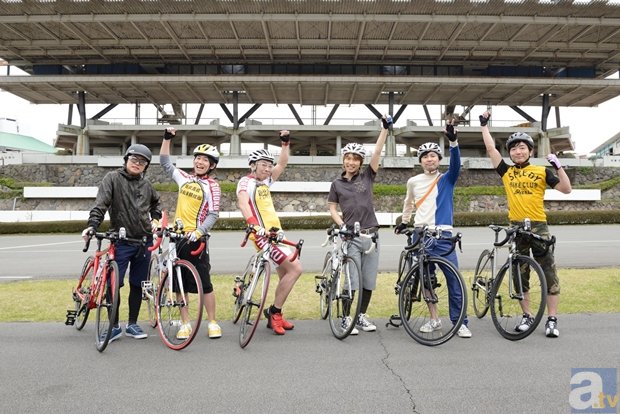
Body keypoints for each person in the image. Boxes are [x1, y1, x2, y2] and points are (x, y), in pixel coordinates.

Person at [479, 111, 572, 338]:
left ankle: (551, 319)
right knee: (520, 275)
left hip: (539, 226)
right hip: (516, 228)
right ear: (510, 153)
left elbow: (566, 189)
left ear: (530, 151)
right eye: (513, 148)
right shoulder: (507, 172)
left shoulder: (541, 171)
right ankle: (527, 315)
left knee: (549, 272)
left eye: (522, 148)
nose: (518, 152)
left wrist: (559, 167)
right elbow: (491, 150)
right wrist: (484, 126)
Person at [394, 120, 472, 338]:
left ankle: (460, 322)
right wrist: (405, 221)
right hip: (420, 235)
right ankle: (434, 319)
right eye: (425, 156)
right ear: (421, 161)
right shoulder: (413, 181)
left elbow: (456, 165)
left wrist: (453, 142)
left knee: (454, 280)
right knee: (426, 280)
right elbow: (408, 203)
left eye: (433, 155)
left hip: (443, 235)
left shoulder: (447, 178)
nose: (429, 159)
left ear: (439, 159)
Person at [82, 144, 161, 343]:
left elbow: (156, 204)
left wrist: (156, 218)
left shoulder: (147, 185)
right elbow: (100, 205)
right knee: (113, 284)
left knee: (138, 284)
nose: (137, 164)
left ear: (146, 166)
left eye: (142, 162)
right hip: (120, 240)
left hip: (143, 240)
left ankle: (132, 324)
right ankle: (114, 325)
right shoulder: (112, 179)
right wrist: (92, 225)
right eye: (134, 160)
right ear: (126, 160)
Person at [327, 115, 391, 335]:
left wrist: (384, 129)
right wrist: (341, 224)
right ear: (343, 160)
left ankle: (361, 315)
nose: (351, 162)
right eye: (348, 158)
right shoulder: (336, 184)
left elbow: (377, 152)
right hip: (351, 237)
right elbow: (333, 208)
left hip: (371, 236)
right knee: (351, 280)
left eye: (355, 159)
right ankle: (345, 317)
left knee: (368, 280)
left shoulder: (367, 177)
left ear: (360, 162)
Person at [236, 131, 303, 335]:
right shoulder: (245, 182)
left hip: (277, 234)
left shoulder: (266, 181)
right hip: (262, 237)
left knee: (286, 274)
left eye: (268, 164)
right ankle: (273, 312)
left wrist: (285, 143)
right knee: (295, 269)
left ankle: (277, 313)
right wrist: (254, 225)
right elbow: (243, 203)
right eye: (262, 164)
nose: (267, 168)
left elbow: (282, 163)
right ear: (252, 165)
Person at [159, 128, 222, 339]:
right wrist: (167, 138)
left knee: (205, 284)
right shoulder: (184, 178)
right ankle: (185, 323)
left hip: (196, 239)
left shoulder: (212, 186)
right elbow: (165, 162)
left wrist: (199, 231)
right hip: (177, 239)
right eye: (197, 158)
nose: (200, 162)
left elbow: (213, 214)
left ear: (211, 165)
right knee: (179, 283)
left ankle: (212, 321)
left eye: (205, 160)